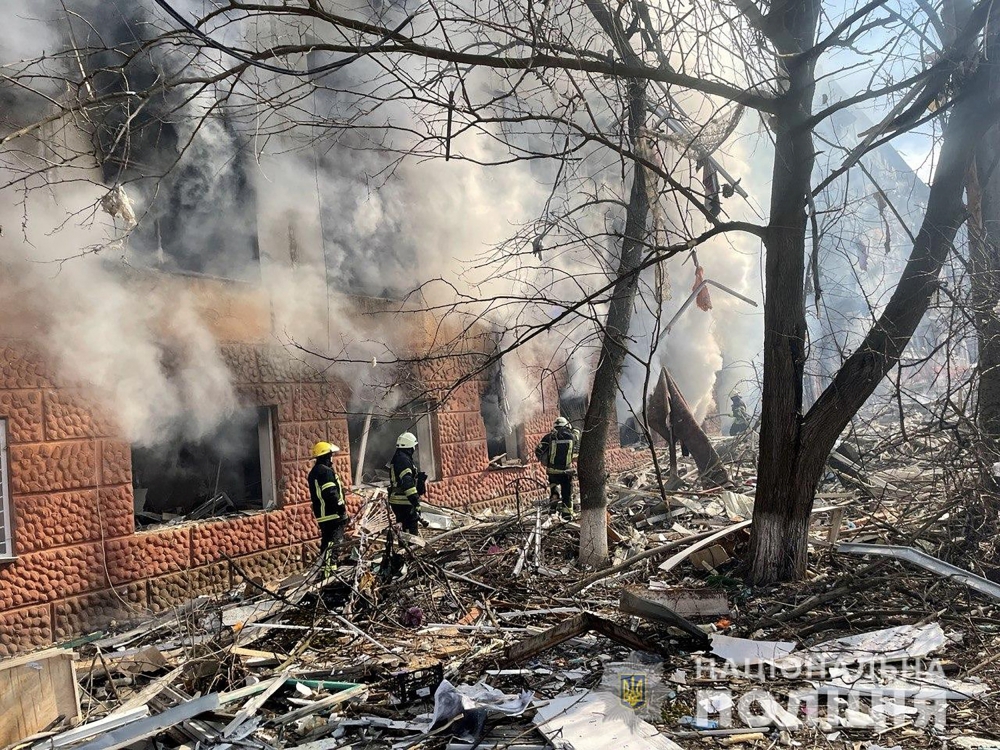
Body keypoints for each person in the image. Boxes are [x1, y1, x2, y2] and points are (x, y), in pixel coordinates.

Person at [308, 441, 347, 577]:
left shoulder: (314, 472)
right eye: (331, 455)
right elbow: (330, 492)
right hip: (332, 514)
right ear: (326, 456)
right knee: (334, 544)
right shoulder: (325, 471)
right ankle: (329, 573)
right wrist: (341, 507)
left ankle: (326, 571)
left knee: (327, 543)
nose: (332, 458)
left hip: (323, 515)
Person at [535, 416, 581, 520]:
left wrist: (544, 461)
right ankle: (567, 516)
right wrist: (573, 429)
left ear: (555, 426)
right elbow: (577, 435)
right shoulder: (571, 436)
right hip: (566, 471)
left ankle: (552, 511)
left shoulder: (549, 437)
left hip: (552, 471)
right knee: (567, 494)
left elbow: (538, 450)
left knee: (554, 489)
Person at [389, 431, 427, 534]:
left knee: (404, 529)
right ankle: (410, 549)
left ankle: (405, 548)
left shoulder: (400, 457)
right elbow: (407, 482)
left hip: (399, 501)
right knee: (410, 530)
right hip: (404, 501)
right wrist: (415, 501)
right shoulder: (403, 460)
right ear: (410, 447)